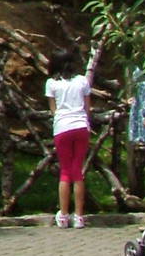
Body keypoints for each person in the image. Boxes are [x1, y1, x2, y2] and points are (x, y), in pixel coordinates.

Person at [44, 44, 103, 228]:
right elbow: (87, 107)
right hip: (80, 126)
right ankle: (79, 216)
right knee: (78, 171)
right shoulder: (82, 81)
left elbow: (53, 110)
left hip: (62, 127)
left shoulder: (52, 83)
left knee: (65, 171)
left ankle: (63, 214)